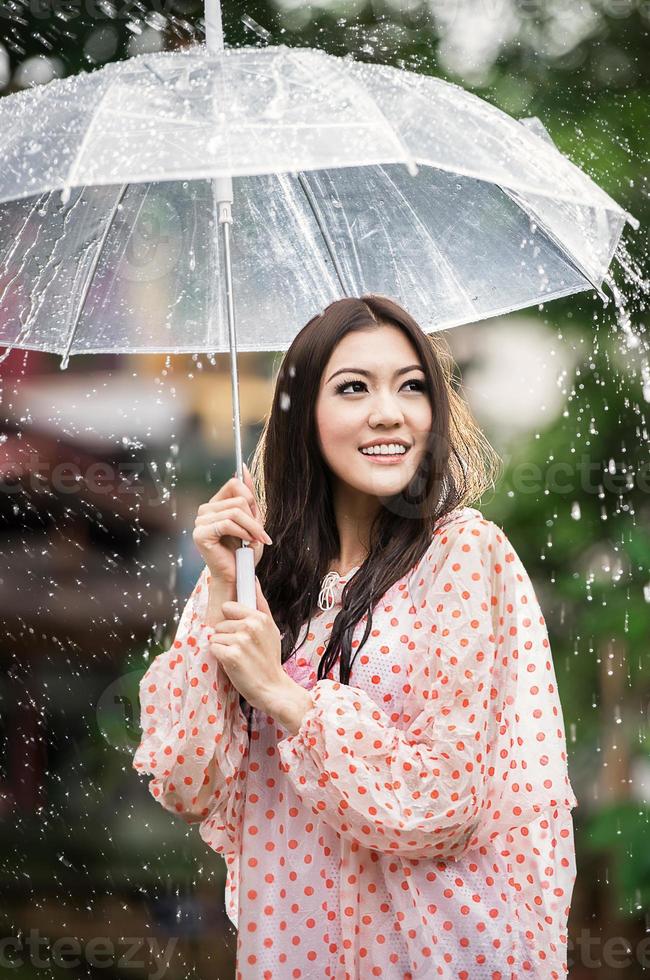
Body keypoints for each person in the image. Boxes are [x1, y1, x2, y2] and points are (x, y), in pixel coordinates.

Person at [133, 294, 578, 980]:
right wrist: (225, 586)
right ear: (302, 415)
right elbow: (187, 782)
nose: (389, 413)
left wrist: (283, 695)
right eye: (352, 389)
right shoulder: (256, 570)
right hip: (295, 954)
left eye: (412, 387)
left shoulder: (459, 557)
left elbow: (442, 804)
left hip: (438, 952)